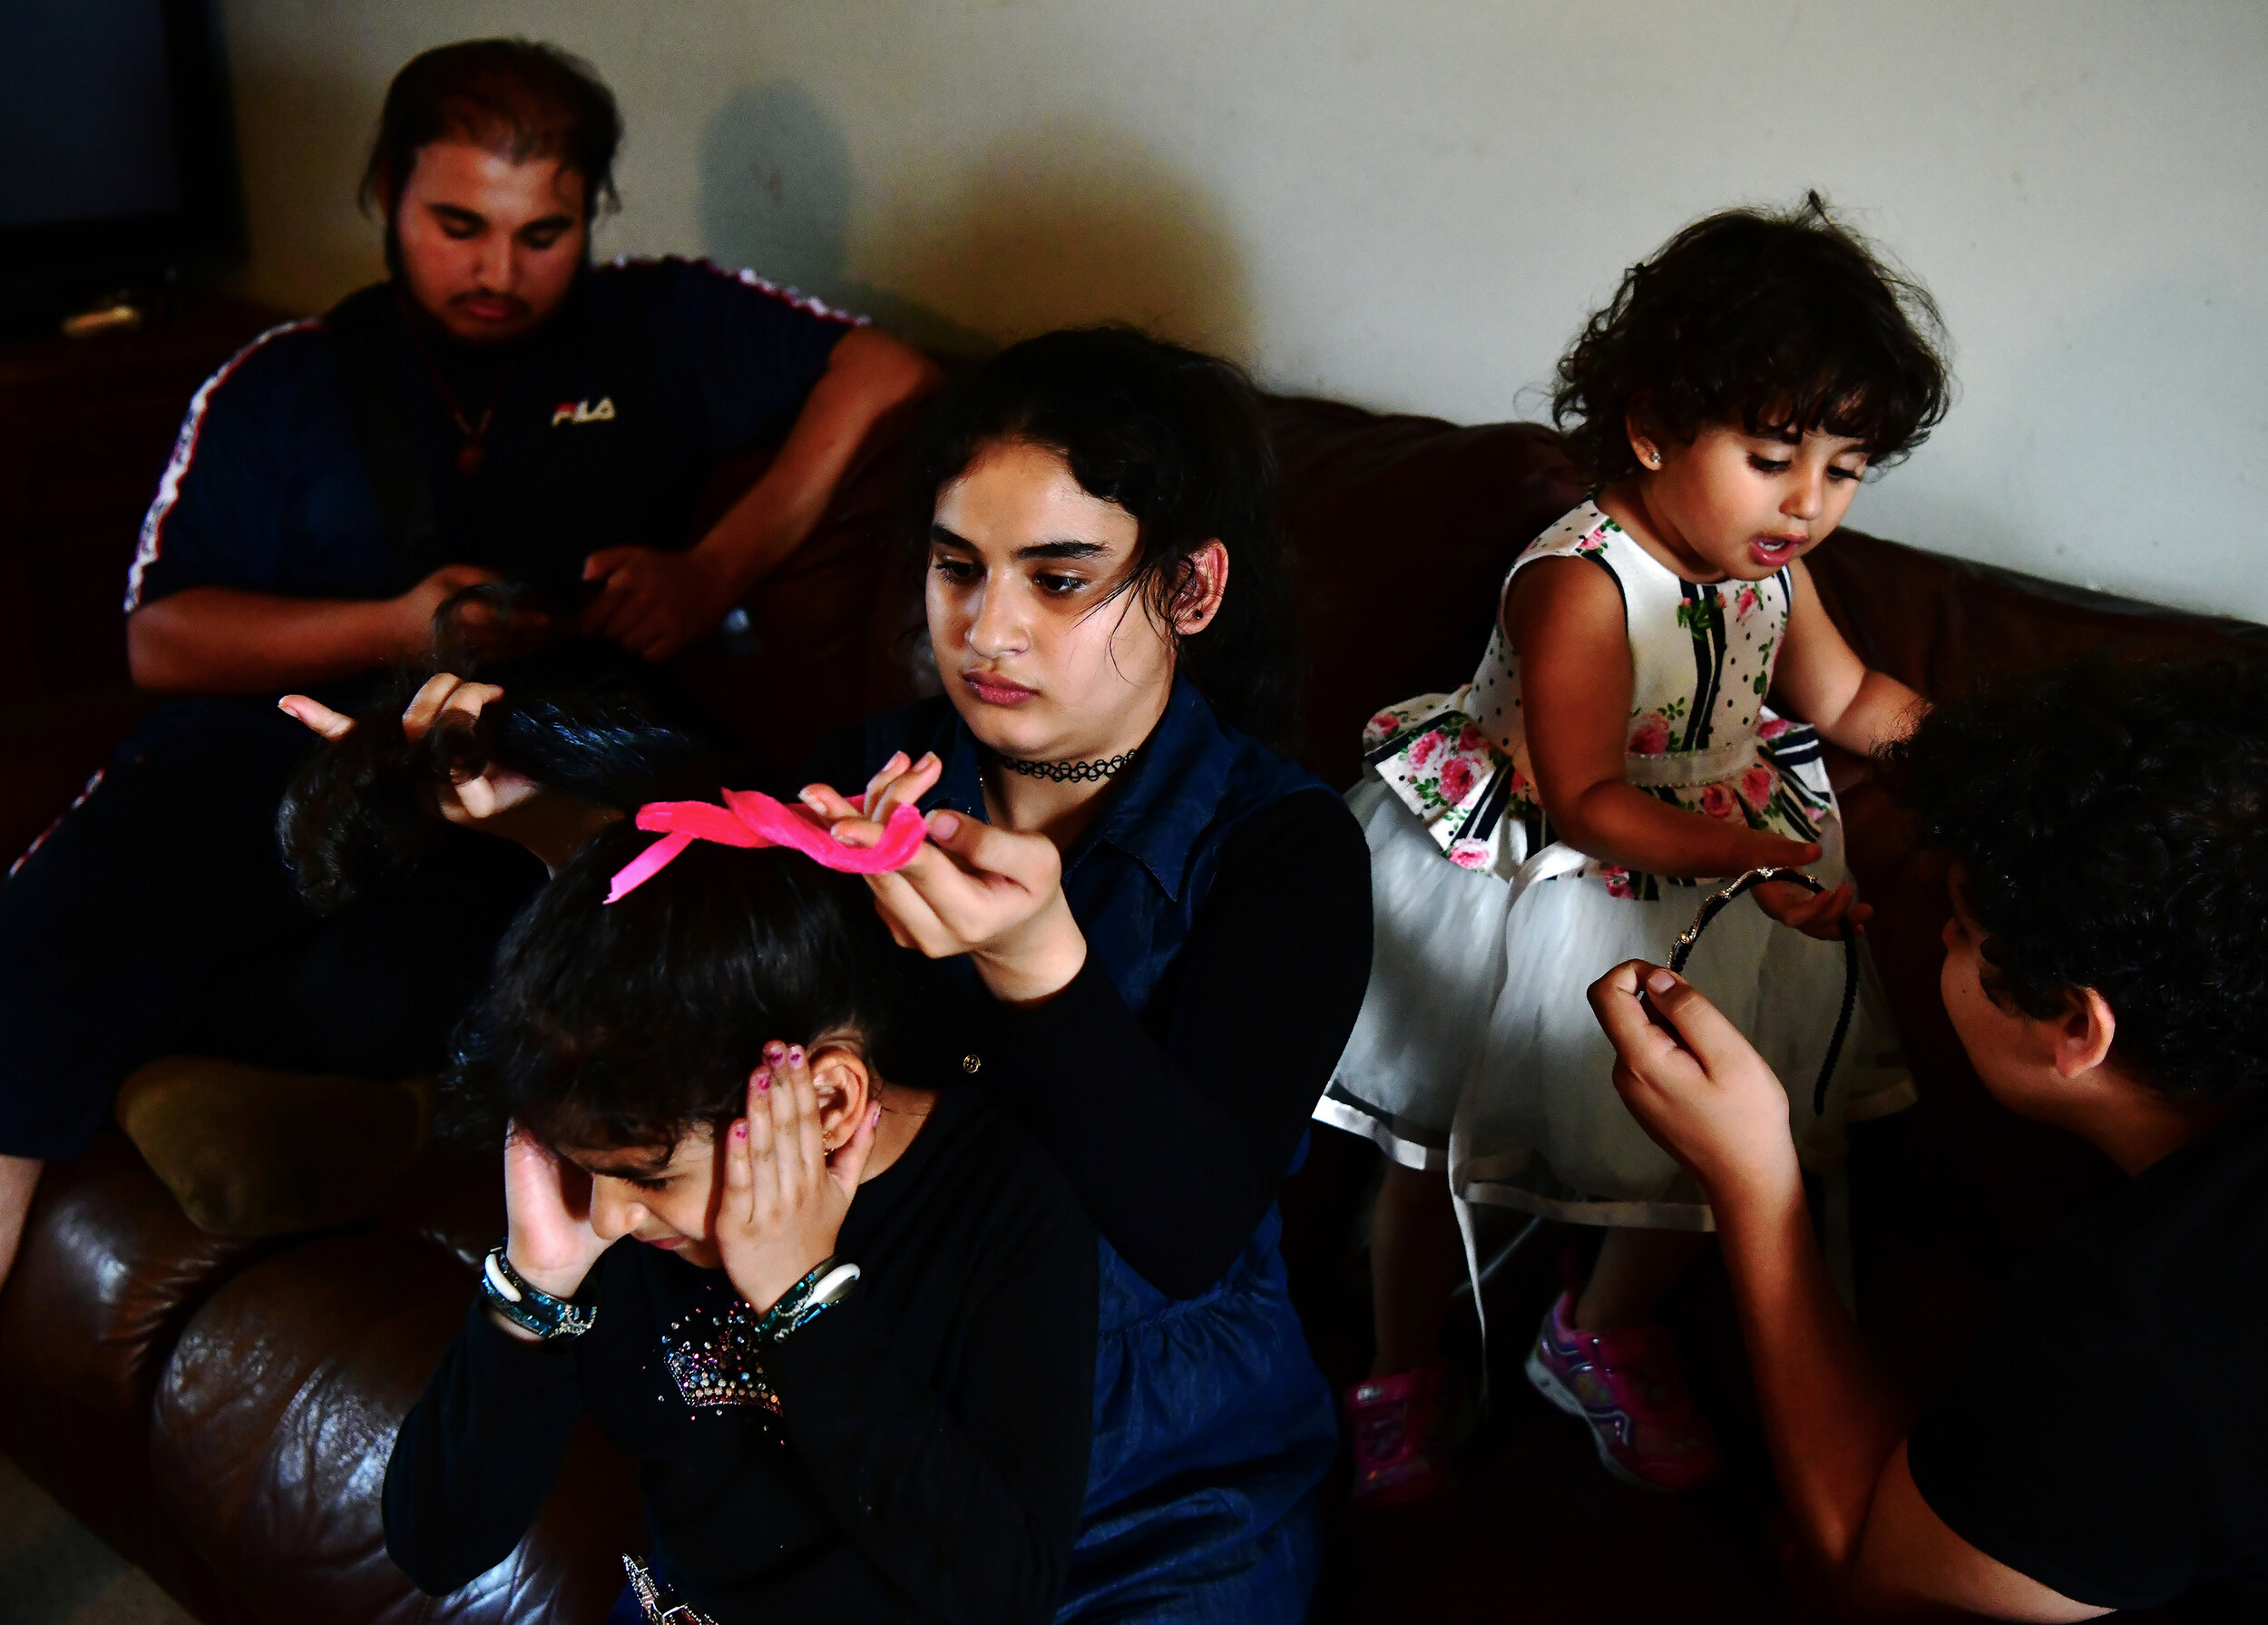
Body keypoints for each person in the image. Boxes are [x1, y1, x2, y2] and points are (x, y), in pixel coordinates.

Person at [0, 38, 939, 1293]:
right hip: (289, 747)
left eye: (543, 235)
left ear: (590, 214)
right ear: (385, 190)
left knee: (403, 981)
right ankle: (202, 1077)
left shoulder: (660, 321)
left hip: (531, 777)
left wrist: (711, 567)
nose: (499, 271)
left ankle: (269, 1085)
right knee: (47, 937)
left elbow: (888, 370)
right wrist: (396, 627)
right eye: (457, 225)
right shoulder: (284, 380)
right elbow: (159, 637)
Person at [1317, 194, 1947, 1501]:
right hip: (1532, 878)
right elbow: (1591, 799)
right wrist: (1753, 864)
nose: (1811, 503)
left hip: (1705, 882)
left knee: (1708, 1132)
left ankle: (1590, 1330)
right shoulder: (1583, 579)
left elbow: (1848, 700)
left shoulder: (1771, 565)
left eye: (1844, 467)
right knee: (1434, 1147)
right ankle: (1396, 1361)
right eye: (1776, 455)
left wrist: (1980, 751)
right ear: (1655, 421)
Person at [800, 328, 1372, 1622]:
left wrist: (1036, 964)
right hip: (880, 1394)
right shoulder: (871, 771)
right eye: (958, 568)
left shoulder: (1285, 852)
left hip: (1158, 1471)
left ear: (1189, 588)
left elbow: (1188, 1222)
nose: (988, 630)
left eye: (1060, 580)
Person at [1589, 655, 2268, 1621]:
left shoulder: (2152, 1332)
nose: (1935, 943)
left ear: (2077, 1027)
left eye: (1958, 929)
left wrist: (1750, 1178)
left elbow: (1882, 1582)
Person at [381, 803, 1098, 1625]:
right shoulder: (612, 1208)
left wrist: (802, 1296)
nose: (609, 1215)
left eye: (648, 1176)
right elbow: (433, 1544)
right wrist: (535, 1290)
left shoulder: (1002, 1207)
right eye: (586, 1169)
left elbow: (1004, 1592)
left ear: (826, 1099)